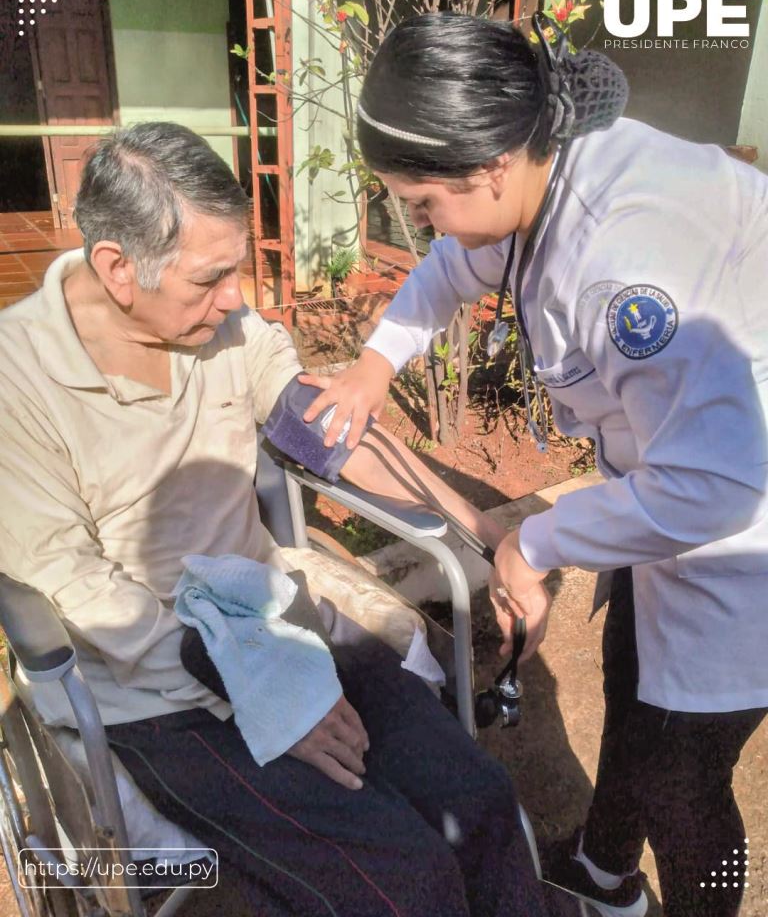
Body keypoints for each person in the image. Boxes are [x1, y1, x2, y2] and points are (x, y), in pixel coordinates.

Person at [0, 122, 553, 916]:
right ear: (118, 268)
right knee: (399, 883)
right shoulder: (15, 384)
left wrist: (489, 534)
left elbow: (324, 430)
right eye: (210, 279)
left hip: (274, 619)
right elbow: (84, 593)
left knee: (483, 800)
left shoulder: (225, 329)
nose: (237, 300)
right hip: (156, 688)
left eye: (238, 271)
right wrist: (262, 690)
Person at [299, 12, 768, 917]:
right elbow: (452, 264)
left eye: (425, 202)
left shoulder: (628, 261)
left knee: (688, 781)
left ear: (490, 167)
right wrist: (371, 365)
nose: (426, 224)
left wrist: (538, 541)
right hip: (667, 489)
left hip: (741, 538)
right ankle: (602, 876)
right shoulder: (539, 164)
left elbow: (716, 485)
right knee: (636, 692)